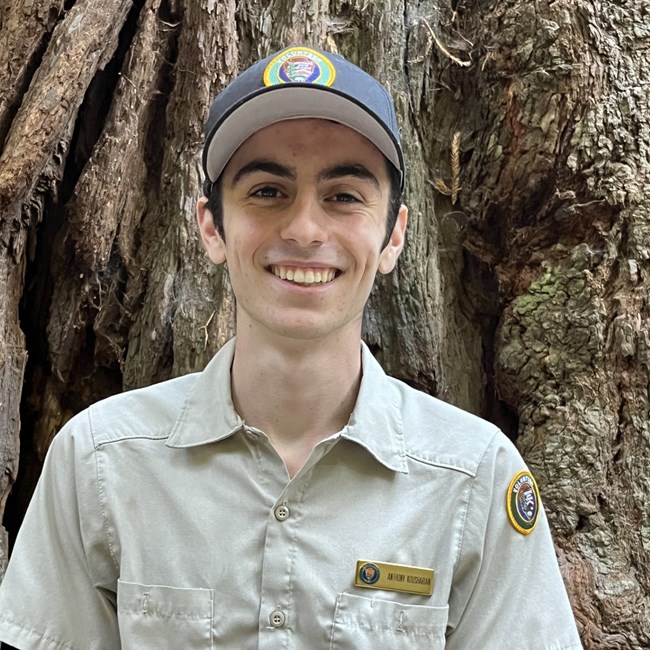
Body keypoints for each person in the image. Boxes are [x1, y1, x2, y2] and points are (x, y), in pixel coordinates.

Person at [0, 45, 582, 649]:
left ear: (393, 237)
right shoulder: (98, 463)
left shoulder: (475, 478)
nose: (304, 228)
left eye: (344, 196)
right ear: (211, 226)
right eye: (267, 191)